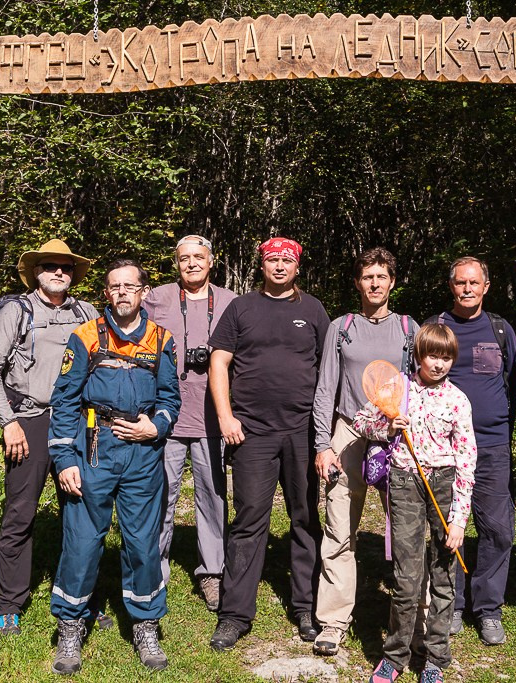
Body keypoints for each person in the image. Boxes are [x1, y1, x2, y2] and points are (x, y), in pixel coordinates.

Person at [47, 259, 181, 674]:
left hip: (142, 454)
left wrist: (154, 427)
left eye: (130, 286)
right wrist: (65, 459)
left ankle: (145, 622)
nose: (122, 292)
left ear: (143, 292)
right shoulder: (86, 336)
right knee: (83, 540)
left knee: (142, 542)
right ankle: (71, 624)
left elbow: (171, 399)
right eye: (115, 287)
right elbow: (65, 400)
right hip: (94, 449)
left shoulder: (162, 339)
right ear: (107, 294)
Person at [209, 237, 330, 651]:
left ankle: (306, 607)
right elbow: (219, 362)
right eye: (272, 260)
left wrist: (326, 433)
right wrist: (226, 417)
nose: (279, 266)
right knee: (249, 521)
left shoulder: (313, 310)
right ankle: (235, 614)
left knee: (305, 518)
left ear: (297, 266)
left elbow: (327, 370)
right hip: (252, 432)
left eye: (287, 260)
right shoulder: (241, 308)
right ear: (261, 265)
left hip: (302, 432)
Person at [0, 239, 98, 636]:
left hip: (77, 421)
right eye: (49, 265)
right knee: (20, 513)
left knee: (81, 514)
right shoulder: (17, 310)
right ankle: (10, 603)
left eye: (65, 266)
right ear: (36, 272)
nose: (58, 272)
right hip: (28, 420)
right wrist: (8, 421)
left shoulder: (87, 312)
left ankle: (80, 600)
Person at [311, 247, 419, 657]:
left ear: (392, 282)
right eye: (367, 277)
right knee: (339, 526)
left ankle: (415, 617)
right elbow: (326, 389)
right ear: (357, 283)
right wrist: (324, 444)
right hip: (350, 432)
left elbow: (420, 385)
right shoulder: (342, 327)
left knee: (408, 529)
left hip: (397, 434)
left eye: (382, 276)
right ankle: (334, 621)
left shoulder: (409, 328)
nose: (374, 283)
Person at [356, 324, 476, 683]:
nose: (438, 364)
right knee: (407, 578)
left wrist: (458, 520)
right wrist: (388, 428)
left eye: (446, 357)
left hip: (445, 485)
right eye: (432, 355)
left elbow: (467, 461)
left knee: (443, 574)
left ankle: (436, 658)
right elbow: (362, 422)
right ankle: (395, 655)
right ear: (418, 355)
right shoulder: (398, 387)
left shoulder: (458, 399)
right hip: (406, 483)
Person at [425, 256, 516, 646]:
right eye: (460, 283)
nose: (467, 289)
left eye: (473, 283)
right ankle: (453, 603)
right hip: (444, 451)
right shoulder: (435, 328)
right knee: (448, 530)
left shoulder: (499, 329)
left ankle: (489, 607)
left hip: (492, 445)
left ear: (486, 286)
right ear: (451, 286)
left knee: (498, 528)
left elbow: (513, 381)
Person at [143, 235, 237, 611]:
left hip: (213, 417)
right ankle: (154, 571)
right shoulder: (157, 298)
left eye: (199, 257)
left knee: (213, 498)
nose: (192, 264)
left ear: (211, 261)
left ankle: (212, 572)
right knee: (159, 496)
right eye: (184, 258)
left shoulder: (231, 301)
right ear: (176, 263)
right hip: (165, 416)